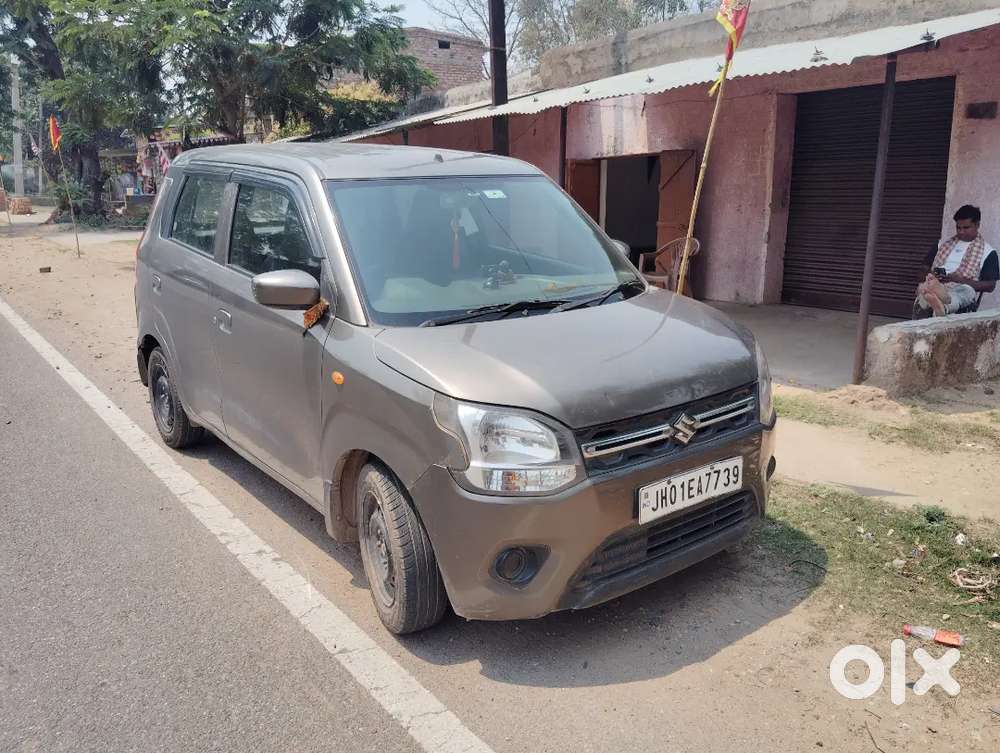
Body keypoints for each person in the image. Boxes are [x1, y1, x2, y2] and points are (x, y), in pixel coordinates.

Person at [914, 205, 998, 318]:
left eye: (966, 228)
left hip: (961, 288)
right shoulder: (941, 244)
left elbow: (990, 285)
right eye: (958, 228)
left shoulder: (988, 252)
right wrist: (930, 275)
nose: (961, 232)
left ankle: (943, 304)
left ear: (977, 225)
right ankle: (938, 295)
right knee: (925, 288)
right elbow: (922, 270)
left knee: (967, 290)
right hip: (936, 284)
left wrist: (958, 280)